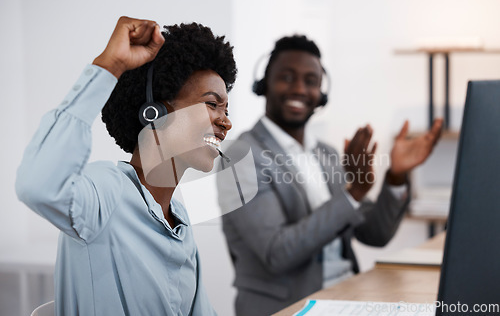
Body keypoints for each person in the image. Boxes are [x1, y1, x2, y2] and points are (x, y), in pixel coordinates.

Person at [16, 16, 236, 316]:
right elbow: (37, 185)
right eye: (212, 104)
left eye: (226, 109)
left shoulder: (179, 220)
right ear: (154, 111)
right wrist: (110, 65)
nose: (226, 122)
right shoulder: (106, 192)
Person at [217, 35, 442, 316]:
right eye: (287, 77)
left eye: (311, 81)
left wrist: (397, 175)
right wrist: (353, 193)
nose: (299, 88)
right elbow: (277, 254)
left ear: (321, 94)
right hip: (290, 307)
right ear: (264, 84)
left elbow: (375, 233)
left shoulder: (327, 154)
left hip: (347, 295)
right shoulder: (240, 156)